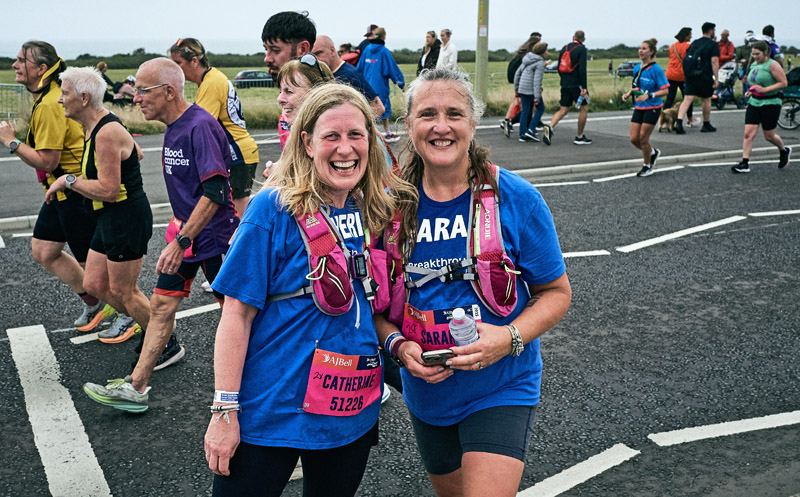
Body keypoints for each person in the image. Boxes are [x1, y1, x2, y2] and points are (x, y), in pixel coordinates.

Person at [203, 83, 415, 496]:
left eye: (356, 135)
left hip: (349, 408)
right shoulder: (273, 209)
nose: (345, 149)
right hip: (273, 410)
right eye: (331, 136)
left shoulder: (372, 208)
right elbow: (236, 313)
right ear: (306, 142)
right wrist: (225, 409)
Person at [376, 68, 571, 497]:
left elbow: (556, 293)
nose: (441, 126)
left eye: (455, 114)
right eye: (428, 114)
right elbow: (372, 308)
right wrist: (400, 348)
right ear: (409, 124)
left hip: (502, 384)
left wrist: (509, 337)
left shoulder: (516, 197)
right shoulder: (386, 206)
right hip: (427, 393)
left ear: (473, 122)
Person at [83, 58, 239, 412]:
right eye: (135, 89)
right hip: (185, 236)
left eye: (142, 90)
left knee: (236, 316)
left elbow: (215, 192)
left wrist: (181, 241)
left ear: (169, 92)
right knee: (161, 306)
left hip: (212, 240)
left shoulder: (200, 126)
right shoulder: (173, 126)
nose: (135, 97)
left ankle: (267, 393)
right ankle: (136, 388)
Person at [0, 41, 106, 330]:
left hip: (75, 192)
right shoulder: (48, 97)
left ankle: (126, 315)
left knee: (92, 266)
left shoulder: (49, 104)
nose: (15, 65)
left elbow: (47, 161)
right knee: (45, 251)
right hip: (58, 192)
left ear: (41, 68)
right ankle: (96, 304)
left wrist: (11, 142)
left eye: (22, 60)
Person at [44, 67, 153, 343]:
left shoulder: (105, 132)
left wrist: (68, 180)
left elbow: (108, 190)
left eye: (64, 93)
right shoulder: (95, 125)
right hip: (109, 217)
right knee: (93, 283)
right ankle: (144, 324)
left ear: (83, 98)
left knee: (124, 291)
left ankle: (163, 341)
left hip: (125, 217)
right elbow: (135, 152)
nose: (59, 99)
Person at [169, 37, 260, 217]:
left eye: (178, 63)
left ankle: (251, 244)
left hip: (237, 152)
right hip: (239, 150)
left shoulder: (210, 83)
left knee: (239, 216)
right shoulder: (211, 78)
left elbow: (200, 125)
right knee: (234, 213)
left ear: (194, 61)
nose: (175, 69)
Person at [732, 41, 791, 173]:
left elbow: (783, 83)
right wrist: (751, 91)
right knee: (748, 133)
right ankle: (745, 163)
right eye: (753, 54)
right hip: (754, 102)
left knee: (769, 136)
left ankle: (783, 150)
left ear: (765, 53)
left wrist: (765, 89)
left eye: (757, 54)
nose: (755, 56)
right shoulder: (753, 64)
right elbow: (755, 83)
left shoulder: (773, 65)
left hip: (771, 102)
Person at [262, 11, 316, 153]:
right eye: (266, 50)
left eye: (275, 50)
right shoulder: (289, 97)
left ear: (302, 49)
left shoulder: (324, 103)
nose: (267, 58)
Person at [622, 39, 669, 177]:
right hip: (639, 107)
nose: (640, 51)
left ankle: (647, 165)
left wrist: (649, 95)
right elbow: (637, 86)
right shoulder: (637, 68)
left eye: (644, 48)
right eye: (640, 48)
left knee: (643, 138)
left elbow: (665, 90)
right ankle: (652, 152)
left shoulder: (656, 69)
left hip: (653, 107)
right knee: (634, 139)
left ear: (651, 52)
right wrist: (629, 93)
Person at [312, 35, 385, 119]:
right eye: (312, 55)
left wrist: (356, 127)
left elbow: (378, 107)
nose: (316, 59)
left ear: (332, 51)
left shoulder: (350, 74)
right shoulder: (321, 74)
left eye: (318, 53)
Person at [542, 30, 592, 146]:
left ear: (573, 37)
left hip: (565, 84)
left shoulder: (564, 48)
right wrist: (584, 87)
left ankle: (550, 127)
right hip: (577, 84)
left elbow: (560, 67)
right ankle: (579, 136)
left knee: (563, 109)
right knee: (584, 108)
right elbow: (582, 69)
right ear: (583, 39)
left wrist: (564, 80)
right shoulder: (582, 49)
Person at [357, 27, 405, 143]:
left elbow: (359, 68)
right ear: (384, 36)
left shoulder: (367, 50)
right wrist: (401, 83)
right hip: (380, 87)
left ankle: (370, 133)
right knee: (383, 109)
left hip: (367, 86)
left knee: (369, 110)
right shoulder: (384, 51)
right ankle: (384, 133)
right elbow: (392, 69)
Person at [675, 22, 720, 135]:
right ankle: (706, 124)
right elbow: (714, 61)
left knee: (688, 98)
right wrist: (716, 78)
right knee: (706, 99)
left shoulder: (695, 43)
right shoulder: (713, 44)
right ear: (710, 31)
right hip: (704, 75)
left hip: (690, 74)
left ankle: (679, 122)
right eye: (714, 30)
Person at [500, 33, 541, 138]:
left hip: (517, 77)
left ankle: (508, 121)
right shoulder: (530, 54)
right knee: (525, 104)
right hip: (523, 81)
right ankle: (510, 122)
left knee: (521, 102)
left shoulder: (522, 50)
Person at [514, 41, 548, 142]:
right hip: (531, 91)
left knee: (525, 110)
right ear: (542, 52)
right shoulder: (540, 63)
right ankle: (531, 130)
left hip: (522, 89)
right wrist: (537, 97)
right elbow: (537, 81)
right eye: (546, 50)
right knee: (540, 108)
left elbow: (517, 74)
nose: (547, 52)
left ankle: (522, 133)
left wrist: (516, 88)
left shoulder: (527, 59)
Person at [664, 27, 697, 128]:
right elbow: (689, 60)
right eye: (690, 34)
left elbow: (671, 58)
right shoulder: (688, 46)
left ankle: (665, 120)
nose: (691, 36)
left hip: (670, 74)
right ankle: (690, 119)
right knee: (688, 98)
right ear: (686, 35)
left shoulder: (672, 46)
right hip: (682, 75)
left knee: (669, 98)